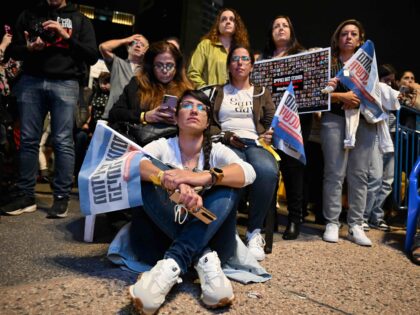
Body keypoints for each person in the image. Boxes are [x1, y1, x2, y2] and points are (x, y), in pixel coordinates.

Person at [128, 89, 256, 314]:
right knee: (147, 178)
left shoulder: (216, 151)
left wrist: (202, 178)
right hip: (158, 242)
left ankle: (173, 263)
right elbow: (132, 164)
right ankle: (200, 257)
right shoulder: (163, 146)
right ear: (176, 117)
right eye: (187, 105)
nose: (194, 111)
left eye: (201, 108)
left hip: (217, 245)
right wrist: (168, 179)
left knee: (227, 182)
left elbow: (248, 172)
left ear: (208, 122)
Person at [0, 0, 98, 218]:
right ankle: (26, 195)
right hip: (31, 80)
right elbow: (11, 51)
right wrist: (28, 48)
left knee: (63, 140)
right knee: (28, 140)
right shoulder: (28, 13)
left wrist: (65, 35)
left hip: (66, 82)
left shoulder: (80, 19)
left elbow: (92, 55)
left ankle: (61, 197)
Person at [209, 45, 278, 261]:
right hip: (227, 141)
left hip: (254, 142)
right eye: (235, 59)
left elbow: (271, 122)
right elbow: (209, 123)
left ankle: (254, 232)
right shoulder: (218, 91)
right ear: (229, 65)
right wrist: (226, 136)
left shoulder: (261, 92)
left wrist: (269, 134)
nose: (240, 62)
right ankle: (227, 232)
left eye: (245, 59)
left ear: (251, 65)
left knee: (267, 170)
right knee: (234, 171)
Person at [321, 19, 375, 246]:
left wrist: (358, 100)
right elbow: (316, 93)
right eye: (344, 33)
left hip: (363, 121)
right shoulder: (328, 62)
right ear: (338, 37)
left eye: (354, 34)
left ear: (360, 39)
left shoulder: (369, 63)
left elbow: (376, 92)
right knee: (334, 173)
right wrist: (341, 97)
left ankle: (356, 224)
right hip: (334, 118)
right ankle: (332, 222)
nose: (349, 37)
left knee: (359, 175)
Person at [260, 15, 311, 240]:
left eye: (285, 26)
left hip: (296, 120)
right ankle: (268, 219)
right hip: (269, 119)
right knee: (270, 167)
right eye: (276, 26)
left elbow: (311, 87)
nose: (280, 29)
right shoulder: (262, 59)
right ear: (271, 33)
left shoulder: (304, 55)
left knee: (293, 170)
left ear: (291, 31)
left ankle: (294, 220)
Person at [109, 40, 193, 135]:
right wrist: (145, 116)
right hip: (140, 142)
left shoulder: (187, 89)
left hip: (172, 144)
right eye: (159, 65)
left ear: (177, 66)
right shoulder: (137, 83)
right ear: (150, 66)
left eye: (169, 65)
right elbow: (114, 113)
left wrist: (179, 121)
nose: (165, 70)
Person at [363, 64, 399, 231]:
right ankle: (363, 216)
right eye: (386, 80)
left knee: (387, 181)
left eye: (392, 82)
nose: (389, 85)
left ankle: (376, 217)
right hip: (376, 136)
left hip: (392, 138)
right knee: (375, 178)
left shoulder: (393, 93)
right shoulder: (376, 89)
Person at [187, 8, 249, 89]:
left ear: (236, 25)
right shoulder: (206, 45)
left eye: (232, 19)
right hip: (211, 99)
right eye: (223, 19)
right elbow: (192, 73)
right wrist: (207, 91)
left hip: (235, 98)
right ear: (218, 25)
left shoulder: (241, 49)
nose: (228, 22)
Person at [99, 33, 149, 119]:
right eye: (133, 43)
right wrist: (126, 40)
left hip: (134, 118)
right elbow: (103, 47)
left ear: (146, 50)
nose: (137, 45)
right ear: (128, 47)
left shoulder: (147, 71)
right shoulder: (117, 63)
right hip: (111, 116)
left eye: (142, 44)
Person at [74, 71, 110, 181]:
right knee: (80, 137)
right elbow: (90, 110)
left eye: (106, 83)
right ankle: (76, 172)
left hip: (106, 127)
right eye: (101, 83)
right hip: (92, 125)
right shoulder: (94, 94)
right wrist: (85, 123)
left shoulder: (114, 95)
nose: (103, 85)